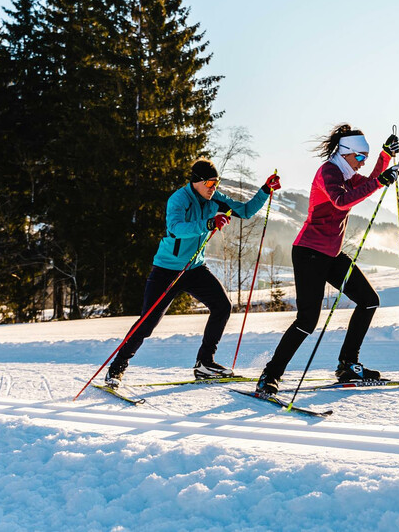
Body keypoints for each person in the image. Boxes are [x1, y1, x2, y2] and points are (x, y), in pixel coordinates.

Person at [105, 157, 281, 388]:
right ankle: (116, 370)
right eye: (209, 184)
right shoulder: (178, 199)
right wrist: (208, 223)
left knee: (222, 306)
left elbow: (246, 211)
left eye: (215, 183)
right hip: (167, 269)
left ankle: (205, 364)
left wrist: (265, 190)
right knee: (147, 323)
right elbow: (175, 229)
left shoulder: (215, 198)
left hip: (194, 268)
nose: (213, 188)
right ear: (196, 181)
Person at [256, 124, 399, 394]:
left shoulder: (347, 172)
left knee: (369, 302)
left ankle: (348, 364)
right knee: (307, 321)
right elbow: (341, 201)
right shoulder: (329, 171)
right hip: (309, 253)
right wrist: (380, 180)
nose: (362, 163)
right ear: (346, 153)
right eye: (360, 157)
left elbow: (370, 181)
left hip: (332, 254)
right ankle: (270, 375)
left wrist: (384, 157)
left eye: (365, 159)